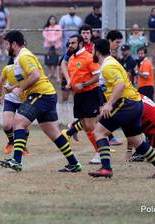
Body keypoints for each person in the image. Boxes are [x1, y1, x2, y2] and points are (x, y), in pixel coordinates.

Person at [0, 31, 82, 173]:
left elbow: (36, 75)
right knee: (53, 133)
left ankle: (16, 161)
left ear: (14, 44)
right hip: (46, 94)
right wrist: (13, 88)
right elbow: (30, 77)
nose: (6, 47)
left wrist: (21, 88)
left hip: (41, 94)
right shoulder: (20, 57)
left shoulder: (24, 56)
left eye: (7, 44)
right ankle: (74, 163)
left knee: (18, 122)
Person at [88, 39, 155, 179]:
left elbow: (120, 85)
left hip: (125, 103)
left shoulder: (108, 66)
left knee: (99, 132)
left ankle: (106, 168)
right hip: (134, 103)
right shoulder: (110, 63)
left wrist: (109, 104)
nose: (91, 53)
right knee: (137, 141)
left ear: (97, 51)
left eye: (93, 50)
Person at [62, 34, 102, 165]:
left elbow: (98, 76)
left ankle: (100, 152)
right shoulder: (72, 58)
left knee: (91, 125)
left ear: (80, 44)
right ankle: (98, 150)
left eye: (73, 43)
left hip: (90, 93)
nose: (70, 45)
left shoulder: (89, 57)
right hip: (78, 96)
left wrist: (84, 84)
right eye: (69, 43)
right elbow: (68, 70)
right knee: (85, 126)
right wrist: (69, 83)